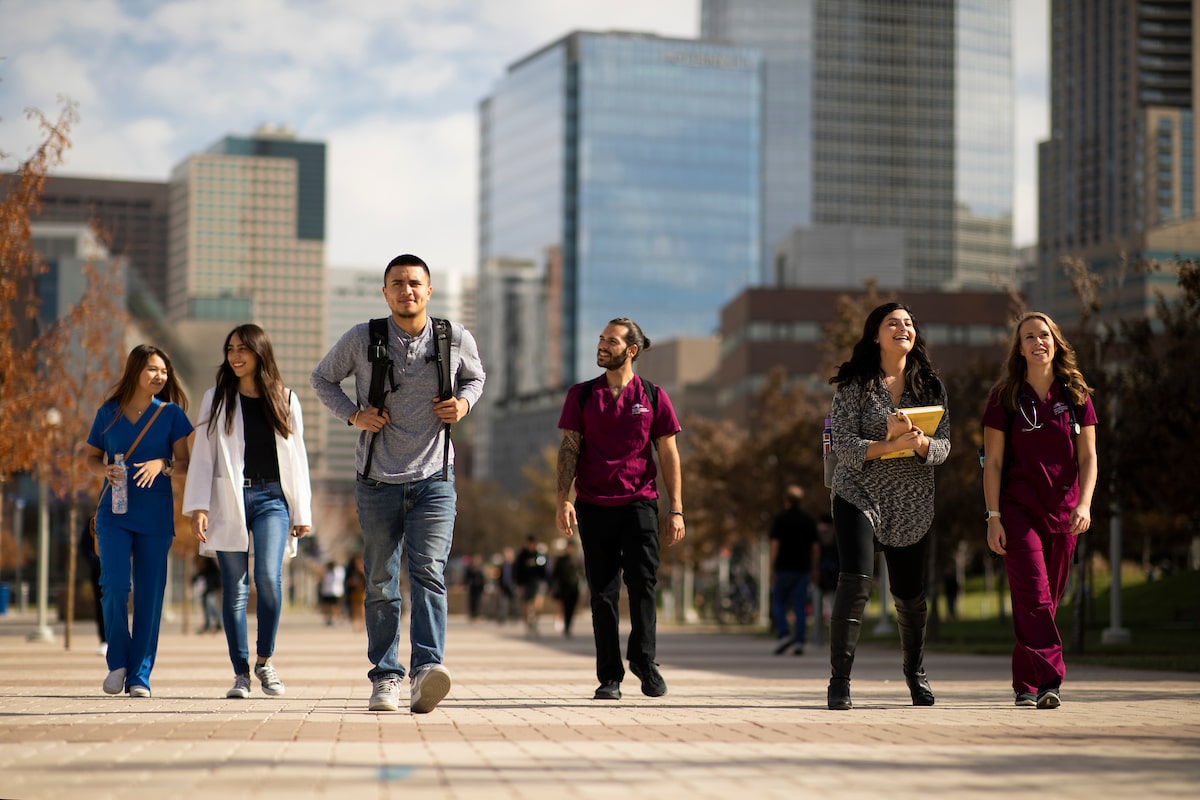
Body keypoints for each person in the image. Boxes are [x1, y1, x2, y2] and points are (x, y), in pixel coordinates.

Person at [311, 253, 485, 714]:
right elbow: (321, 378)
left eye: (414, 283)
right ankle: (386, 677)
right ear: (385, 292)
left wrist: (464, 404)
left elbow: (476, 377)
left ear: (428, 291)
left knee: (428, 572)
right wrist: (353, 414)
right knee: (383, 580)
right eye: (397, 284)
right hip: (377, 480)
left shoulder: (453, 337)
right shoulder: (362, 338)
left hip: (435, 478)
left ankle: (427, 670)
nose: (406, 291)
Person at [826, 302, 950, 710]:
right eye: (893, 323)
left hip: (910, 499)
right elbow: (842, 444)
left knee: (909, 593)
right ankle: (839, 681)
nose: (903, 328)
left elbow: (945, 447)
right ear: (875, 334)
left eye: (909, 323)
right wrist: (889, 446)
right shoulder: (854, 384)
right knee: (856, 580)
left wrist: (920, 444)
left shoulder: (930, 385)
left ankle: (915, 673)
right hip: (857, 491)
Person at [556, 317, 685, 701]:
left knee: (643, 584)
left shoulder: (653, 396)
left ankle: (644, 661)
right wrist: (563, 499)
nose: (601, 346)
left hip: (640, 503)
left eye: (610, 341)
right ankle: (609, 676)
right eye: (600, 339)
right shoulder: (581, 395)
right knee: (603, 593)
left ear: (631, 350)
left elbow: (668, 453)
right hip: (594, 506)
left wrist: (676, 508)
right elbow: (569, 450)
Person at [184, 323, 313, 700]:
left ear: (260, 353)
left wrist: (301, 511)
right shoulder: (216, 399)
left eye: (243, 349)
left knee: (268, 581)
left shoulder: (286, 399)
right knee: (234, 590)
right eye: (230, 349)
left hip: (274, 500)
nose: (236, 356)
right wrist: (199, 507)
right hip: (229, 499)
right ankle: (241, 673)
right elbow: (204, 456)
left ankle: (265, 661)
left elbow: (298, 459)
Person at [982, 311, 1097, 710]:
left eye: (1044, 334)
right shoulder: (1004, 398)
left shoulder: (1076, 394)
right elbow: (993, 463)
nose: (1037, 342)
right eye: (1028, 336)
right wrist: (993, 515)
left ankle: (1025, 685)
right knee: (1033, 595)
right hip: (1019, 512)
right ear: (1020, 348)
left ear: (1055, 341)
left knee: (1044, 601)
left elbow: (1089, 457)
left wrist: (1085, 503)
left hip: (1064, 513)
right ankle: (1050, 679)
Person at [82, 344, 192, 698]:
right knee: (114, 586)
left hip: (155, 515)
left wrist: (163, 466)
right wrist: (105, 469)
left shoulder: (172, 414)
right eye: (152, 370)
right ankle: (118, 662)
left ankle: (140, 675)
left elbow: (187, 465)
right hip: (112, 513)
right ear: (135, 372)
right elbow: (89, 458)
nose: (159, 376)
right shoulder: (108, 413)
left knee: (149, 596)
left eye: (163, 371)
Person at [769, 485, 820, 655]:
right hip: (802, 568)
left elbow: (775, 545)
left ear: (786, 501)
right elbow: (815, 548)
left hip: (783, 567)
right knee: (800, 605)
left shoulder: (780, 519)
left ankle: (784, 634)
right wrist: (814, 568)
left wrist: (771, 567)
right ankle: (799, 641)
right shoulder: (808, 520)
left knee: (779, 603)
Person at [78, 519, 107, 655]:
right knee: (100, 604)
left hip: (116, 568)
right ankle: (104, 639)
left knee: (117, 602)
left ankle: (117, 639)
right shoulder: (93, 522)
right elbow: (84, 546)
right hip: (98, 570)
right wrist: (95, 560)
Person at [514, 535, 549, 636]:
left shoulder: (539, 554)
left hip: (538, 582)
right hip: (526, 583)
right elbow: (517, 571)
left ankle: (535, 624)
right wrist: (519, 584)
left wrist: (547, 582)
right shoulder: (522, 556)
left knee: (538, 603)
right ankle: (527, 625)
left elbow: (544, 569)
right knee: (525, 604)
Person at [550, 539, 582, 638]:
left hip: (574, 586)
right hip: (563, 587)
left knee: (571, 608)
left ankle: (568, 626)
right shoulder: (561, 560)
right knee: (563, 607)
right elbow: (555, 574)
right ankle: (565, 625)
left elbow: (581, 572)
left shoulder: (576, 559)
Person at [194, 556, 223, 633]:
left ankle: (217, 623)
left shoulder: (210, 569)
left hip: (211, 590)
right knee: (207, 607)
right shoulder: (206, 569)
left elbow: (215, 580)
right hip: (207, 590)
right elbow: (199, 575)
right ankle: (209, 624)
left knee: (211, 606)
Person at [319, 561, 346, 625]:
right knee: (327, 606)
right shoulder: (326, 572)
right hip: (327, 591)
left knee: (335, 606)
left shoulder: (338, 572)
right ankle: (328, 618)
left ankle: (335, 618)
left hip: (336, 592)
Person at [344, 555, 366, 632]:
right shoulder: (350, 572)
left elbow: (366, 582)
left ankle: (362, 623)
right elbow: (346, 582)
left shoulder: (363, 570)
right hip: (354, 592)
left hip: (362, 592)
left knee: (362, 608)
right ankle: (356, 624)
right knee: (355, 609)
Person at [462, 554, 486, 622]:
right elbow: (467, 577)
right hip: (472, 587)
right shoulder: (470, 569)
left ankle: (476, 615)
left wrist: (483, 587)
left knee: (478, 601)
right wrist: (466, 585)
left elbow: (483, 579)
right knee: (472, 601)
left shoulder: (481, 569)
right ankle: (472, 615)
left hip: (479, 587)